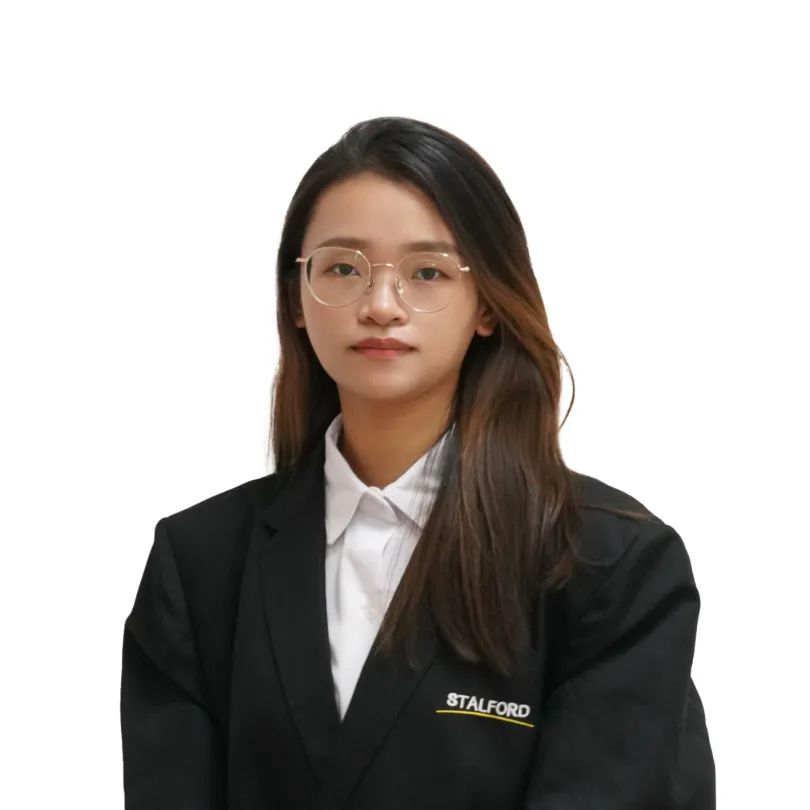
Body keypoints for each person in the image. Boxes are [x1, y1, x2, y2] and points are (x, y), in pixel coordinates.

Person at [120, 115, 716, 809]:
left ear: (487, 303)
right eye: (343, 269)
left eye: (427, 272)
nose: (380, 305)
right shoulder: (199, 564)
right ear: (297, 299)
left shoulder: (608, 566)